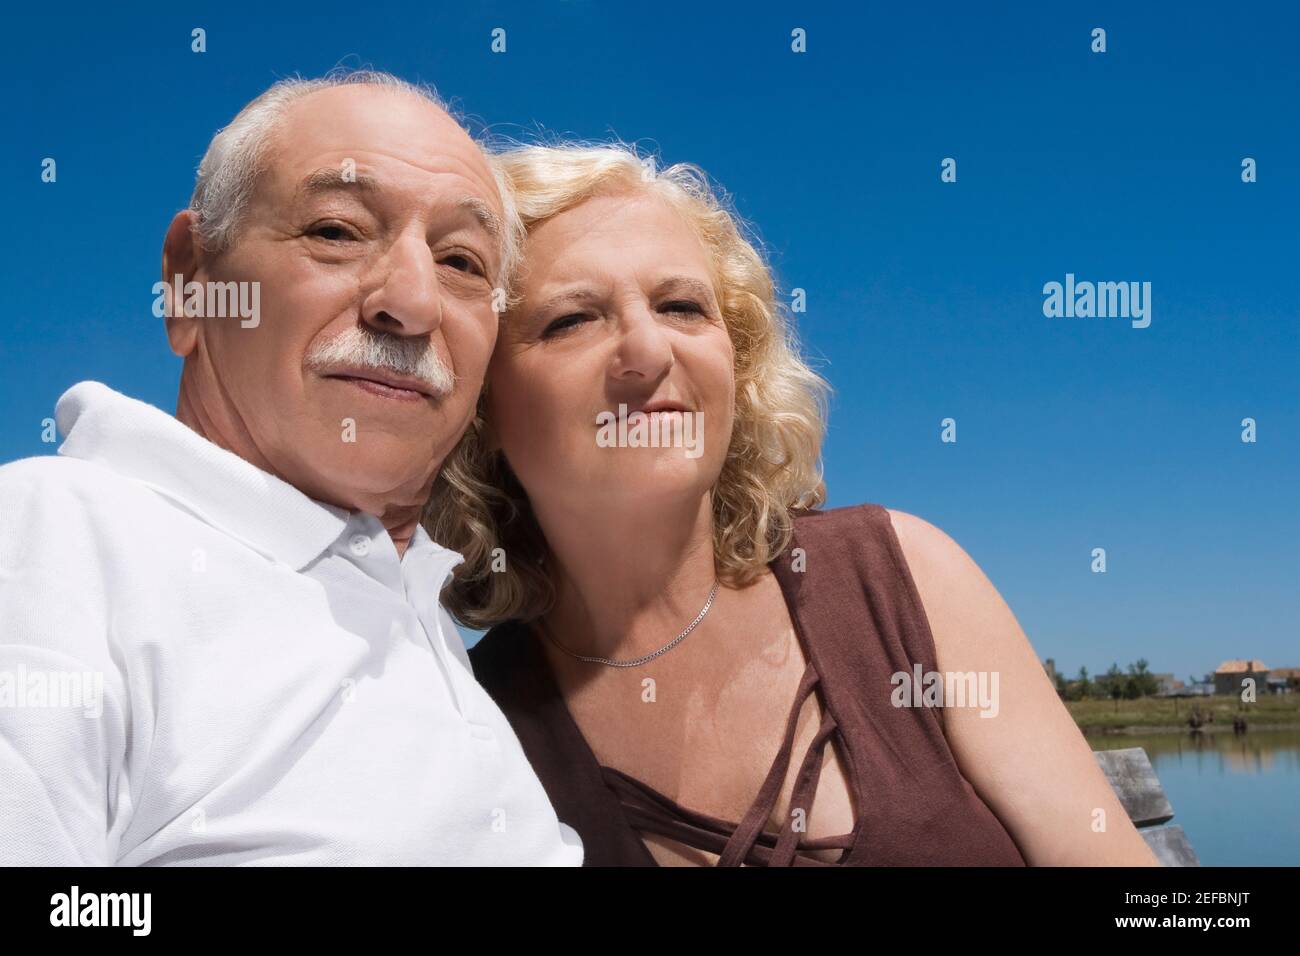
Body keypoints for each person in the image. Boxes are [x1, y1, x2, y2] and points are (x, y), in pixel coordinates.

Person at [432, 143, 1162, 866]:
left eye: (683, 306)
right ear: (481, 401)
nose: (649, 351)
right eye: (571, 320)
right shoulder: (474, 726)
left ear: (736, 362)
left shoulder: (900, 578)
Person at [0, 71, 581, 866]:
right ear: (190, 283)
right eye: (337, 231)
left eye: (462, 262)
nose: (411, 302)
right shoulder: (49, 540)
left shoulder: (432, 622)